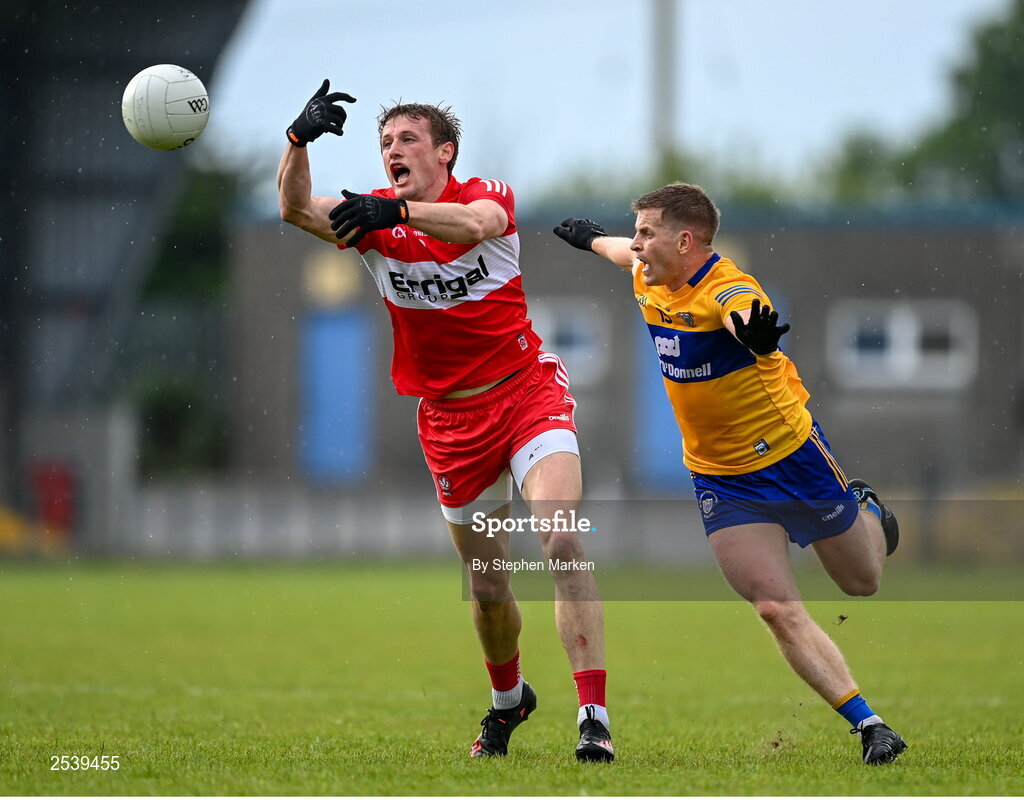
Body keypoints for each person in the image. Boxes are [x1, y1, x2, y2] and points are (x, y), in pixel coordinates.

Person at [277, 80, 614, 762]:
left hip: (525, 394)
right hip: (451, 423)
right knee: (487, 586)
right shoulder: (372, 220)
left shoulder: (481, 196)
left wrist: (394, 208)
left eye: (407, 140)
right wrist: (296, 141)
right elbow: (291, 211)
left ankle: (593, 717)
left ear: (445, 152)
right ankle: (508, 701)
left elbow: (479, 228)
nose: (392, 151)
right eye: (384, 144)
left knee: (559, 537)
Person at [553, 182, 907, 766]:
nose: (637, 243)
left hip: (792, 458)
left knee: (861, 583)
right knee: (772, 605)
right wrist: (591, 238)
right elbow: (621, 251)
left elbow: (742, 311)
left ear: (685, 241)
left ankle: (867, 509)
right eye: (636, 230)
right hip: (721, 477)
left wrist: (753, 331)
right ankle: (869, 725)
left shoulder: (728, 287)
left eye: (647, 232)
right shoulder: (647, 272)